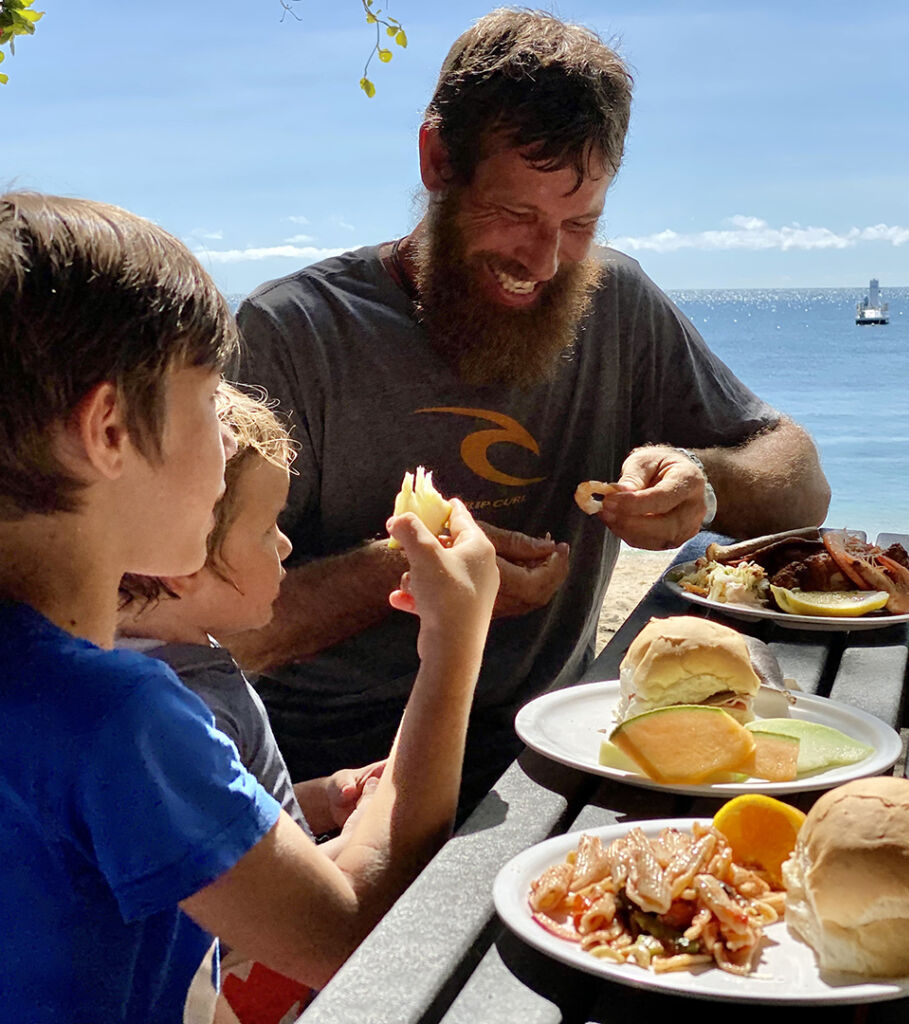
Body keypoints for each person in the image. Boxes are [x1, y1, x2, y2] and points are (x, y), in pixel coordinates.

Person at [229, 8, 832, 812]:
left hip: (557, 757)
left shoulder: (615, 304)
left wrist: (706, 484)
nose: (544, 262)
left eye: (578, 223)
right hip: (339, 782)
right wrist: (413, 570)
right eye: (516, 215)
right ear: (438, 159)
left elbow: (802, 483)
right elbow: (225, 628)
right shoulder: (292, 333)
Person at [0, 191, 498, 1022]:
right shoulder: (121, 720)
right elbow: (351, 927)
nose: (229, 441)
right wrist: (456, 642)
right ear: (111, 431)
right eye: (209, 401)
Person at [118, 382, 384, 843]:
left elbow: (242, 824)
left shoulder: (190, 652)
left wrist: (324, 799)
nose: (285, 545)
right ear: (184, 555)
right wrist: (452, 636)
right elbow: (293, 907)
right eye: (266, 528)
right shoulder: (187, 715)